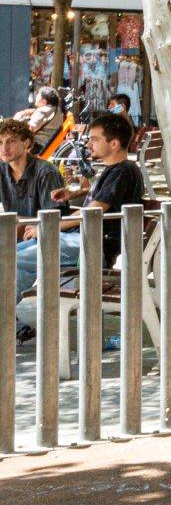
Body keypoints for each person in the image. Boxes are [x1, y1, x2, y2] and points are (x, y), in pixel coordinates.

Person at [15, 111, 148, 336]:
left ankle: (8, 321)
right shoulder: (117, 170)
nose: (89, 144)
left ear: (114, 143)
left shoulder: (123, 171)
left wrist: (47, 228)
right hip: (82, 241)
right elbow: (104, 198)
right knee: (10, 253)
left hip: (92, 247)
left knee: (16, 260)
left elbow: (91, 213)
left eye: (95, 139)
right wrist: (74, 193)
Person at [0, 117, 66, 230]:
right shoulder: (2, 170)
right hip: (12, 235)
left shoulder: (46, 172)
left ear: (26, 143)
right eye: (0, 142)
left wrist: (14, 222)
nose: (4, 148)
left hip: (44, 235)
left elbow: (53, 220)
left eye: (11, 141)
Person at [14, 87, 62, 152]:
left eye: (38, 95)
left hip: (36, 145)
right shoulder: (56, 110)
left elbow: (31, 128)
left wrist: (17, 121)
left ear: (44, 101)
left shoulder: (42, 111)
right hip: (46, 143)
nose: (36, 97)